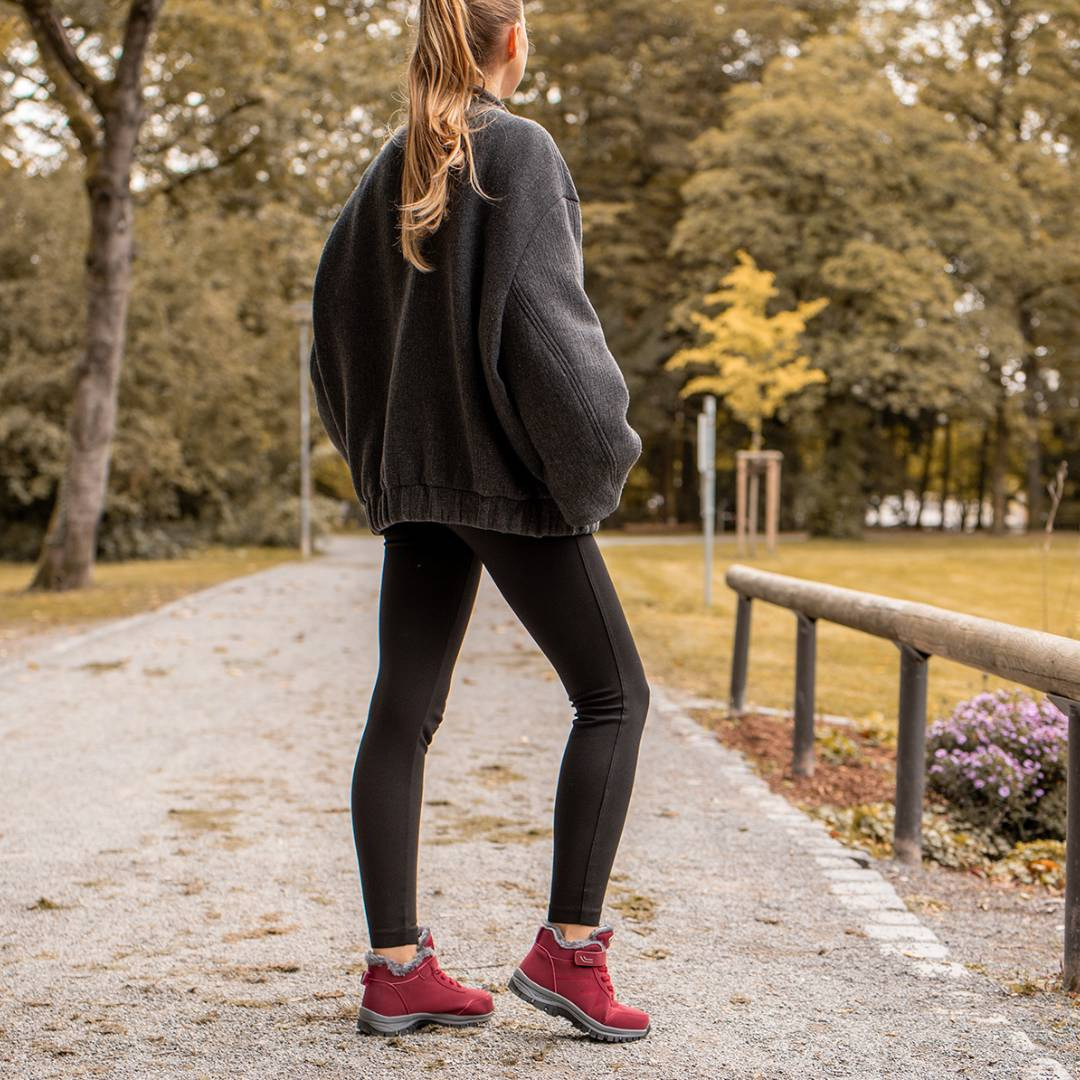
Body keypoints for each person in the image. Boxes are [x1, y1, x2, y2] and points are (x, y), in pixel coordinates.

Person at [309, 0, 652, 1043]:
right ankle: (571, 954)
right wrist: (601, 454)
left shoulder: (390, 168)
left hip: (419, 484)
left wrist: (383, 460)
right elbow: (550, 328)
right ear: (513, 41)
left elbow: (329, 334)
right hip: (504, 480)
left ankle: (396, 971)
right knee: (615, 695)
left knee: (401, 712)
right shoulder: (519, 150)